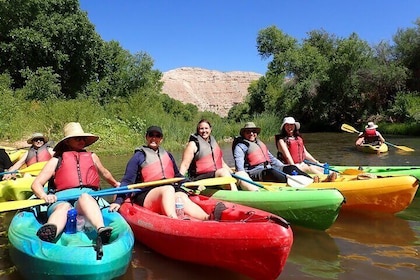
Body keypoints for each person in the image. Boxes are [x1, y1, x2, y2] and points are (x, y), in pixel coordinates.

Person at [110, 126, 226, 220]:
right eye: (151, 135)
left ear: (161, 139)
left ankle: (207, 218)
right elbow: (127, 181)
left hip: (167, 191)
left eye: (157, 136)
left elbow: (177, 176)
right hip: (146, 194)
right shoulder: (138, 157)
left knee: (181, 196)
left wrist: (192, 184)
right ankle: (174, 219)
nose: (154, 138)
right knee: (168, 189)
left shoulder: (168, 155)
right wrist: (118, 201)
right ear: (146, 137)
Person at [31, 122, 121, 243]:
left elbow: (105, 173)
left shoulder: (92, 156)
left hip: (86, 198)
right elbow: (36, 184)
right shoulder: (56, 160)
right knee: (63, 207)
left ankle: (101, 229)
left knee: (85, 197)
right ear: (67, 141)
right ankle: (50, 230)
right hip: (61, 199)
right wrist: (44, 195)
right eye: (77, 138)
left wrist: (115, 184)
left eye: (83, 138)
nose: (82, 141)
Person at [232, 122, 317, 191]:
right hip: (254, 172)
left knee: (291, 168)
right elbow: (239, 166)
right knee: (272, 172)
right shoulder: (240, 147)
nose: (251, 134)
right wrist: (243, 179)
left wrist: (284, 167)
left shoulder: (259, 143)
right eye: (248, 132)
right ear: (243, 134)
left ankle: (312, 181)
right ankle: (297, 184)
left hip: (268, 168)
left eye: (253, 131)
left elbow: (272, 159)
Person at [178, 119, 237, 191]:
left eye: (206, 128)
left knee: (241, 174)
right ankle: (238, 195)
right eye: (201, 128)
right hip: (199, 178)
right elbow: (185, 165)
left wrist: (234, 173)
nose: (204, 131)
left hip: (215, 175)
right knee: (223, 172)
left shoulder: (213, 143)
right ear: (198, 130)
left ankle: (253, 191)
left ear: (210, 129)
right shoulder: (193, 144)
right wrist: (180, 180)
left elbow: (222, 163)